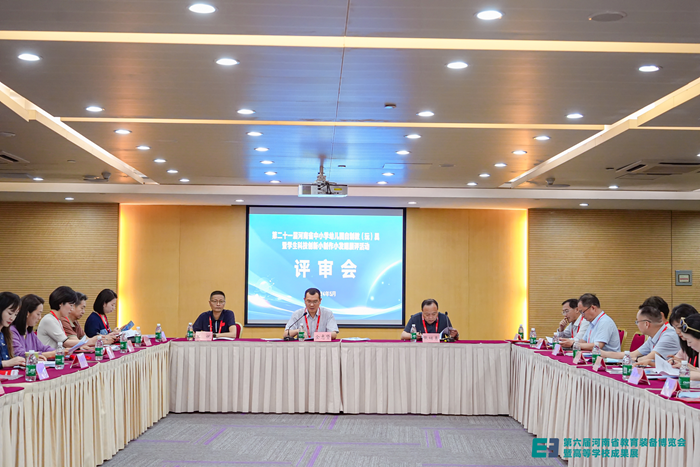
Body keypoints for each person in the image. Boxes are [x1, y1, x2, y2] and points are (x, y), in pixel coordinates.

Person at [600, 305, 680, 364]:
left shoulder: (668, 336)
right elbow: (633, 354)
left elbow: (647, 359)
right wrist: (603, 353)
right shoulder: (654, 335)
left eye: (637, 322)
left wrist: (636, 359)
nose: (637, 325)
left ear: (646, 324)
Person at [10, 294, 55, 360]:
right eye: (38, 314)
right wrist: (49, 354)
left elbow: (43, 348)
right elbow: (20, 354)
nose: (39, 318)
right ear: (27, 313)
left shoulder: (29, 332)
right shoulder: (12, 331)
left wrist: (59, 351)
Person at [667, 304, 699, 371]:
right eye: (674, 328)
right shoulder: (685, 345)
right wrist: (676, 362)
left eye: (679, 327)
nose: (677, 332)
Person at [0, 292, 26, 369]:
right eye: (10, 313)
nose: (12, 318)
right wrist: (6, 363)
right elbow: (6, 362)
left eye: (15, 314)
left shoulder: (5, 333)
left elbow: (6, 357)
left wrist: (22, 360)